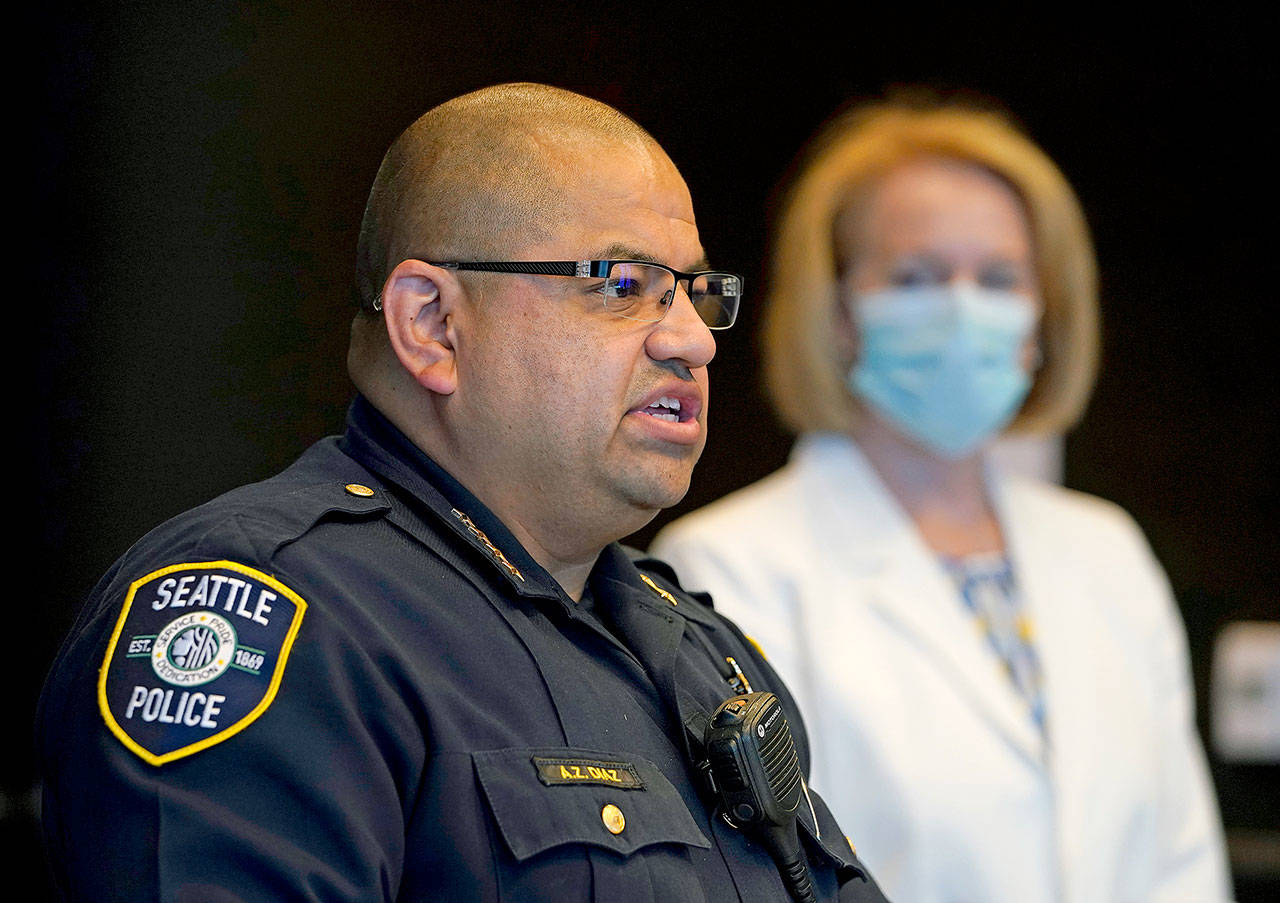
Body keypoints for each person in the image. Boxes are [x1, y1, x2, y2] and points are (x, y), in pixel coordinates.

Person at [36, 83, 888, 902]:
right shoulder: (274, 614)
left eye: (695, 292)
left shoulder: (704, 650)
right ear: (433, 325)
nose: (693, 340)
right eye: (623, 286)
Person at [651, 95, 1233, 903]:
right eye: (917, 276)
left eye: (999, 278)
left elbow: (1182, 863)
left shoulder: (1108, 552)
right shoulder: (729, 568)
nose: (963, 306)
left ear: (1041, 317)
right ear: (841, 310)